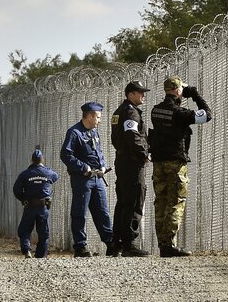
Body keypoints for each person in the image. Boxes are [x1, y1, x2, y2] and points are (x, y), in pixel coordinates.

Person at [149, 75, 211, 257]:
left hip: (158, 162)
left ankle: (163, 244)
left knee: (160, 202)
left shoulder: (155, 110)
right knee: (176, 202)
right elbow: (207, 115)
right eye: (181, 90)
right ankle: (169, 245)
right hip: (175, 163)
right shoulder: (180, 113)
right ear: (177, 91)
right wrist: (195, 95)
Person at [60, 101, 115, 257]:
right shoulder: (74, 133)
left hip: (97, 178)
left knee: (102, 211)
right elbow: (65, 155)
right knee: (80, 212)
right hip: (82, 179)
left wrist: (103, 166)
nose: (99, 120)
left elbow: (99, 153)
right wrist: (83, 167)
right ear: (89, 116)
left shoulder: (93, 132)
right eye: (97, 117)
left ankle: (110, 243)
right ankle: (80, 246)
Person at [110, 81, 151, 257]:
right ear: (130, 94)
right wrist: (143, 153)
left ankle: (117, 243)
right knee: (134, 200)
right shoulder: (130, 112)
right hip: (131, 161)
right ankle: (129, 244)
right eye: (140, 92)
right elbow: (132, 135)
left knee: (123, 201)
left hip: (123, 159)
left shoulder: (120, 111)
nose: (143, 95)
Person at [13, 148, 59, 258]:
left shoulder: (25, 174)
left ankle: (27, 250)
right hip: (43, 207)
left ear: (31, 160)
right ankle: (41, 255)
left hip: (30, 206)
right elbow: (56, 176)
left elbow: (16, 190)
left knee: (24, 229)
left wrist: (23, 199)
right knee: (43, 232)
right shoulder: (48, 172)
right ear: (42, 159)